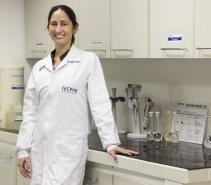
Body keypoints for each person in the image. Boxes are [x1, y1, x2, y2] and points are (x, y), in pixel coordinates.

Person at [16, 4, 138, 185]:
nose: (58, 29)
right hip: (40, 150)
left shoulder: (88, 61)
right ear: (48, 28)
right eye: (53, 24)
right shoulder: (39, 67)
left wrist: (110, 142)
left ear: (75, 27)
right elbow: (30, 112)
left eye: (64, 24)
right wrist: (23, 150)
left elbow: (100, 104)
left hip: (69, 150)